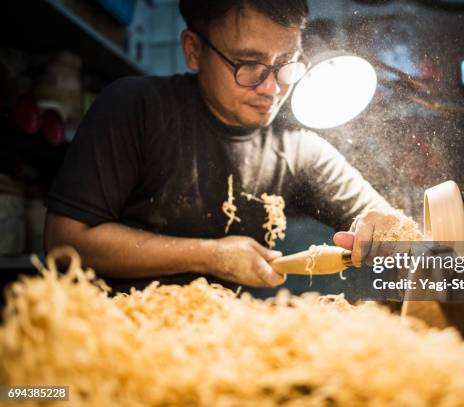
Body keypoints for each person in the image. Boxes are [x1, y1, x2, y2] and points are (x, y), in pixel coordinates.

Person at [44, 0, 398, 292]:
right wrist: (209, 255)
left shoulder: (297, 149)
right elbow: (65, 242)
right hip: (117, 339)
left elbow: (395, 228)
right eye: (249, 65)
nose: (272, 88)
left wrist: (385, 230)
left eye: (286, 64)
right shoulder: (136, 108)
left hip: (220, 350)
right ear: (194, 50)